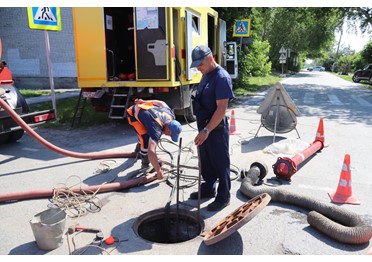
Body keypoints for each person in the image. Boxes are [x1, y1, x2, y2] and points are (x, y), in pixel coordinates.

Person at [189, 45, 234, 212]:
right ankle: (209, 187)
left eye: (200, 65)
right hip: (204, 127)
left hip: (215, 128)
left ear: (210, 58)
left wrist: (206, 130)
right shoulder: (206, 75)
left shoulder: (221, 77)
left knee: (220, 161)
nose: (198, 69)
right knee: (205, 160)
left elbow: (221, 109)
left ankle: (223, 196)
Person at [127, 98, 182, 180]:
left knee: (149, 136)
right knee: (145, 140)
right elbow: (151, 151)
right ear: (167, 129)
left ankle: (139, 147)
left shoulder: (171, 116)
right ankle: (145, 164)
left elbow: (161, 102)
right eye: (170, 134)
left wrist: (145, 102)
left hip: (145, 111)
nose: (169, 136)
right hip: (133, 113)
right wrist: (158, 171)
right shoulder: (156, 129)